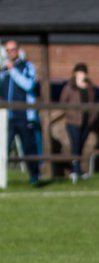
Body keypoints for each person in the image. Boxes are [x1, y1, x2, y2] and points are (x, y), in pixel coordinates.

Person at [2, 40, 42, 185]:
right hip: (8, 116)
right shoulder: (4, 69)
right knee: (3, 148)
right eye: (8, 50)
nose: (11, 52)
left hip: (25, 115)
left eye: (13, 49)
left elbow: (28, 85)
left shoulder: (27, 66)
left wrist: (13, 71)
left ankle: (35, 177)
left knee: (29, 148)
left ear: (18, 50)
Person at [57, 62, 98, 183]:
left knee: (81, 145)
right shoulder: (70, 87)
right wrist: (70, 113)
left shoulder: (89, 87)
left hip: (86, 120)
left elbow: (93, 103)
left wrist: (92, 117)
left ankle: (79, 170)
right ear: (75, 73)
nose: (82, 74)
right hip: (73, 121)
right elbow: (62, 102)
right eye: (79, 72)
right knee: (75, 145)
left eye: (83, 72)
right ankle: (74, 171)